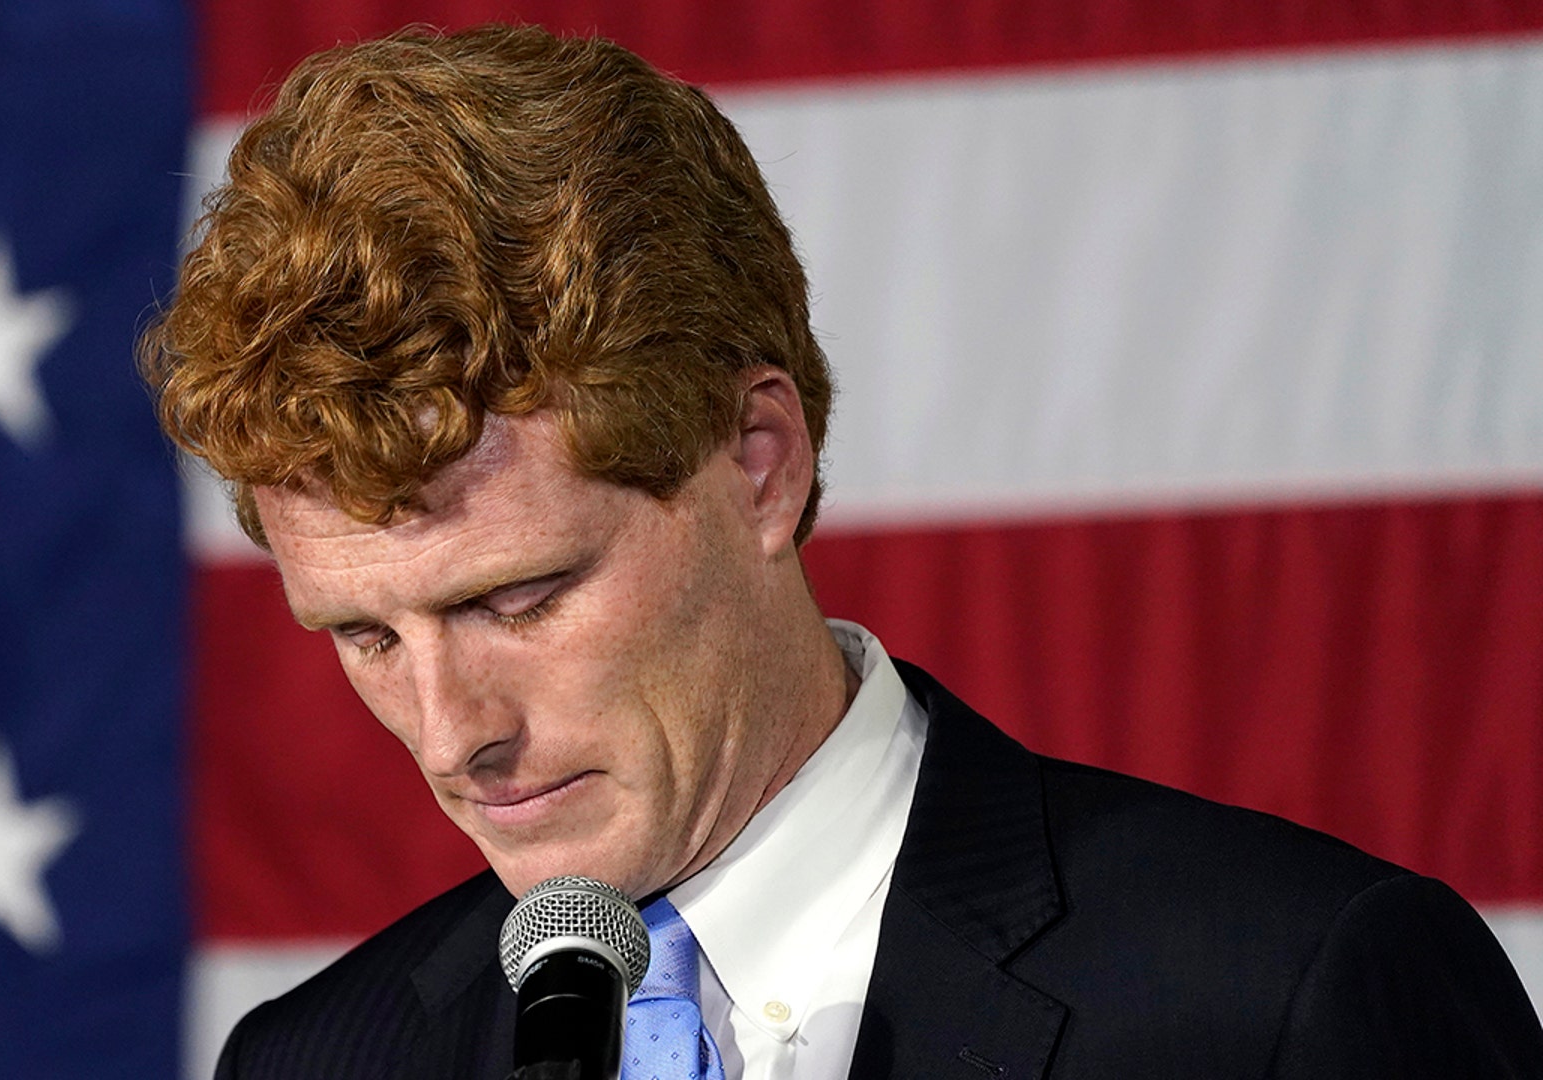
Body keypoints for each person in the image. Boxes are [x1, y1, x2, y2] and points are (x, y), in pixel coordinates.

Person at [139, 23, 1543, 1080]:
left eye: (521, 597)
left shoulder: (1286, 999)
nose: (454, 740)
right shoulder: (317, 1060)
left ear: (760, 462)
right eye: (369, 638)